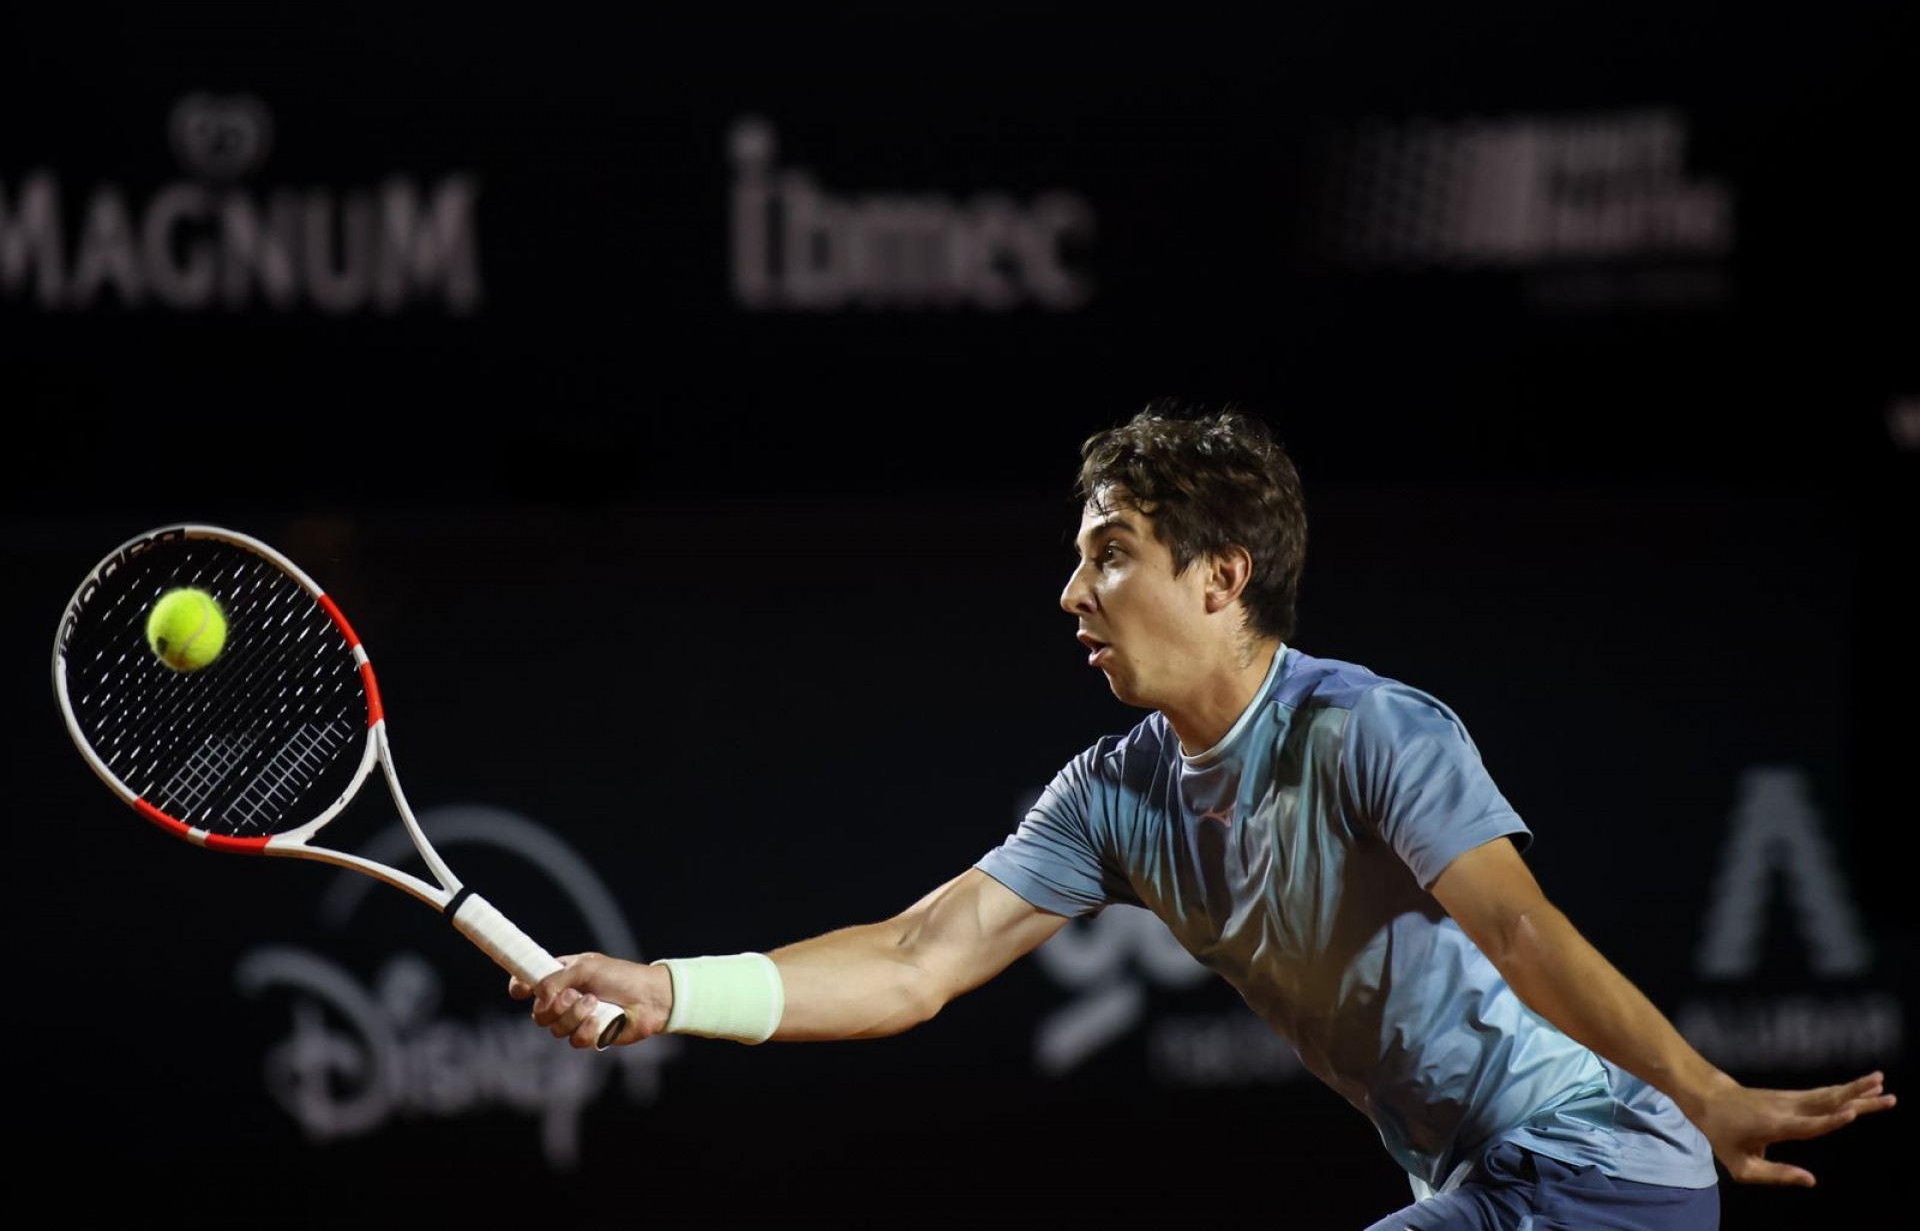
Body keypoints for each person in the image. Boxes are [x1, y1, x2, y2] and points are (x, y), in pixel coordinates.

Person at [513, 405, 1894, 1228]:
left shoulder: (1369, 730)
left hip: (1597, 1165)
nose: (1072, 593)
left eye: (1110, 556)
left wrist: (1705, 1092)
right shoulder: (1113, 796)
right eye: (1078, 559)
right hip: (1480, 1180)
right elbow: (915, 960)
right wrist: (669, 989)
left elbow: (1523, 936)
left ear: (1221, 578)